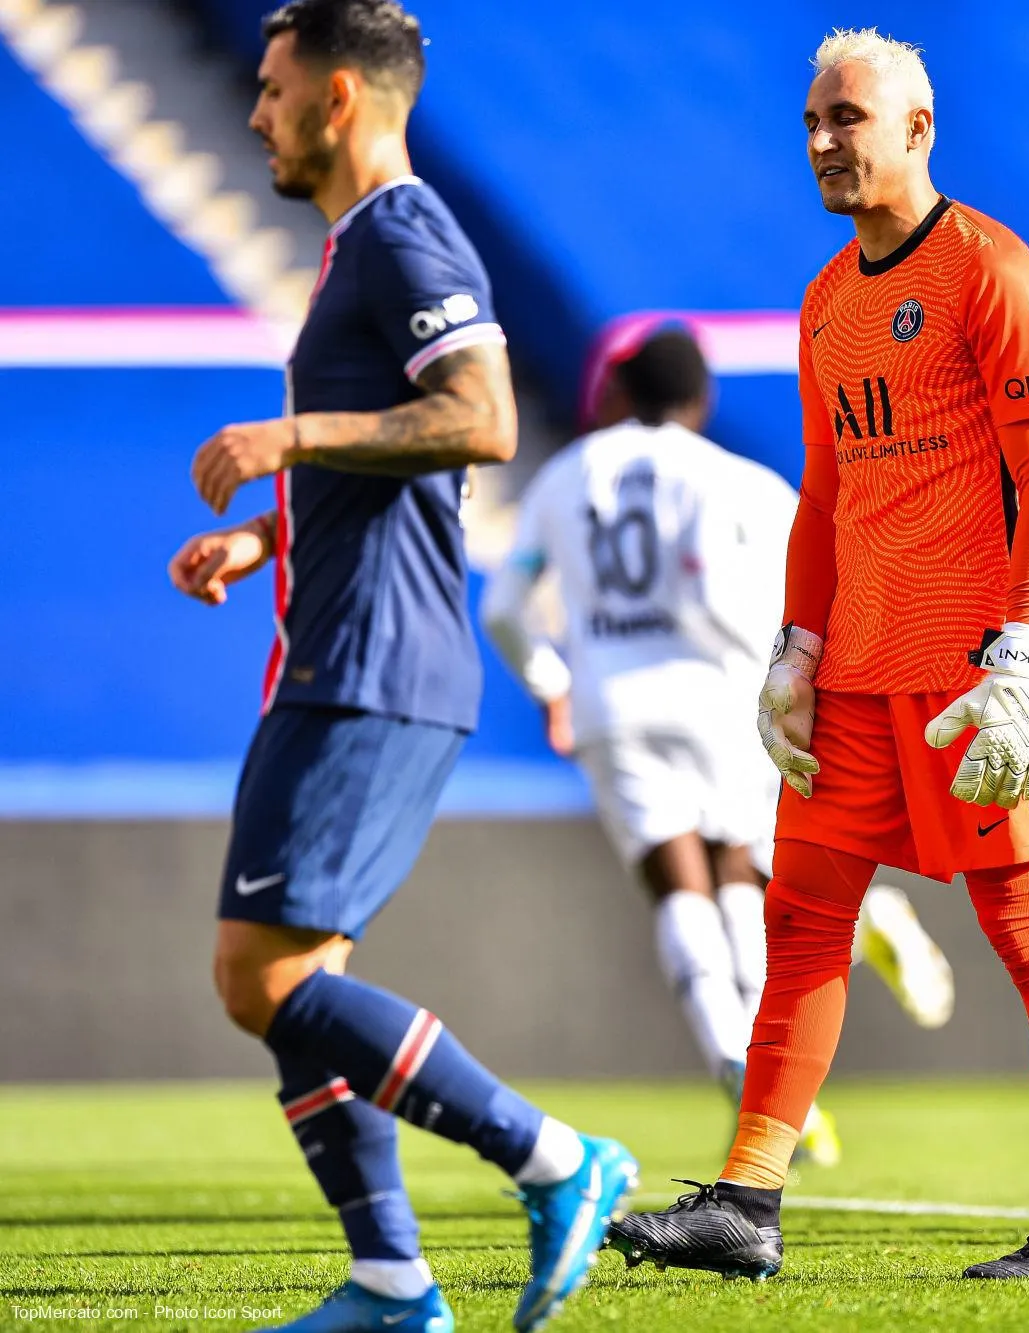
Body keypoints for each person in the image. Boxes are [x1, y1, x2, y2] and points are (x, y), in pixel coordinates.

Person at [605, 27, 1029, 1281]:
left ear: (917, 127)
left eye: (847, 117)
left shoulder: (991, 273)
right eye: (812, 124)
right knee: (799, 920)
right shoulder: (828, 298)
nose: (826, 142)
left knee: (1023, 920)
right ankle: (746, 1200)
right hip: (854, 669)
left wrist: (1016, 647)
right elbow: (827, 492)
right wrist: (794, 647)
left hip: (976, 674)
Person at [165, 4, 634, 1328]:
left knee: (269, 981)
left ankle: (554, 1160)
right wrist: (268, 533)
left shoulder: (404, 233)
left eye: (272, 88)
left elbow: (479, 418)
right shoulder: (357, 250)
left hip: (376, 662)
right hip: (342, 648)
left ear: (342, 99)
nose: (254, 110)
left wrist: (293, 435)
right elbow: (403, 458)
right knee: (284, 985)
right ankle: (388, 1283)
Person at [479, 325, 957, 1167]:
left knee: (678, 889)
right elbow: (823, 569)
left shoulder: (565, 475)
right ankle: (815, 1006)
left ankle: (737, 1063)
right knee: (748, 871)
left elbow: (503, 607)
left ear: (618, 392)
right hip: (719, 694)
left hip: (614, 705)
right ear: (698, 400)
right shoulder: (736, 477)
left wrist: (552, 683)